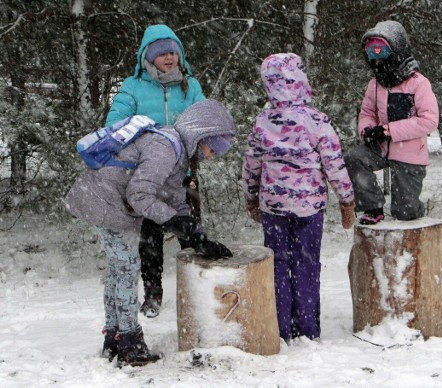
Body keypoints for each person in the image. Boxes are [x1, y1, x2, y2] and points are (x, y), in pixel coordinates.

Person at [64, 99, 236, 366]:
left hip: (103, 200)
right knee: (127, 269)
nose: (213, 156)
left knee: (118, 270)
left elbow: (173, 197)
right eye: (213, 148)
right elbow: (140, 194)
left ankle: (114, 337)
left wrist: (198, 236)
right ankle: (130, 343)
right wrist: (176, 223)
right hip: (105, 202)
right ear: (201, 136)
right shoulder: (165, 147)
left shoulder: (176, 151)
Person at [242, 53, 355, 342]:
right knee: (306, 265)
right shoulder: (316, 120)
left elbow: (251, 164)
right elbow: (334, 163)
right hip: (309, 208)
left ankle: (281, 327)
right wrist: (347, 200)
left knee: (278, 265)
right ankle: (307, 328)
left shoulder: (263, 122)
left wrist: (251, 196)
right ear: (301, 80)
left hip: (274, 208)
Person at [106, 24, 206, 318]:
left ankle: (199, 286)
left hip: (182, 173)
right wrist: (147, 137)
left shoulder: (191, 85)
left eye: (173, 52)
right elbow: (114, 124)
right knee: (149, 238)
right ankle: (153, 294)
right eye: (162, 53)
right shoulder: (133, 87)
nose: (169, 57)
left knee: (189, 230)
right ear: (148, 57)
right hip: (145, 175)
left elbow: (202, 120)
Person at [344, 20, 439, 225]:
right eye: (372, 55)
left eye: (381, 54)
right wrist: (367, 130)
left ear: (396, 52)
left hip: (410, 152)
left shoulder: (418, 83)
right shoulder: (375, 85)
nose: (376, 61)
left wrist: (388, 131)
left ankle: (417, 207)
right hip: (380, 148)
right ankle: (372, 206)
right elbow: (367, 111)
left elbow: (430, 120)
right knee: (354, 158)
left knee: (404, 212)